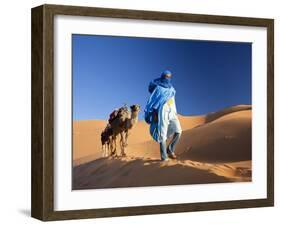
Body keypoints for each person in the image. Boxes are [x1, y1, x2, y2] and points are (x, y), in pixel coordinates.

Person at [144, 70, 182, 161]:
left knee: (179, 131)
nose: (167, 78)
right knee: (162, 134)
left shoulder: (172, 89)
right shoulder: (158, 88)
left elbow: (173, 101)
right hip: (162, 111)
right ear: (163, 76)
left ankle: (170, 149)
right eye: (166, 76)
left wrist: (175, 111)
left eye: (169, 76)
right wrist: (154, 112)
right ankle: (164, 157)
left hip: (172, 111)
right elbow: (153, 100)